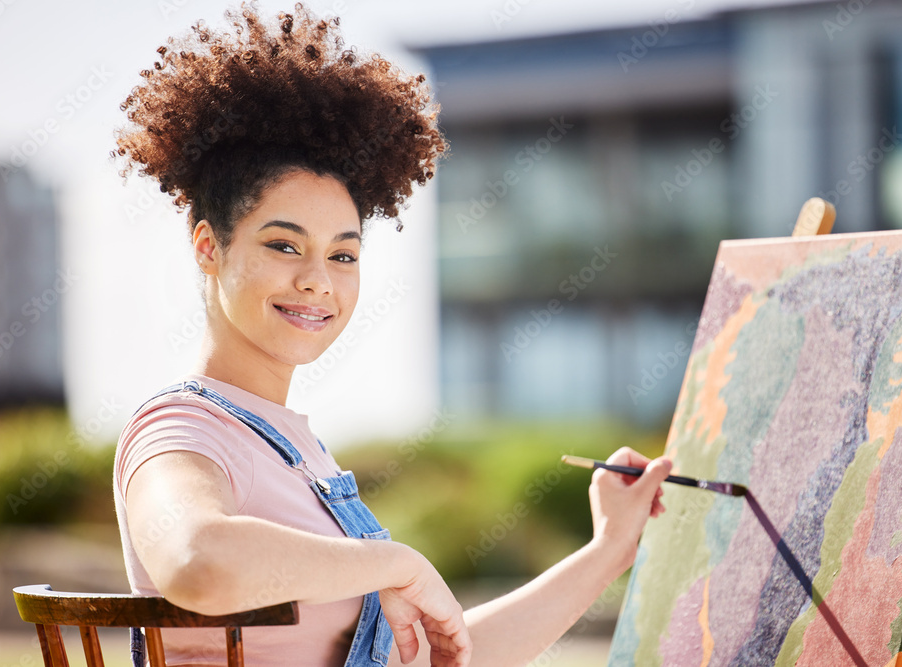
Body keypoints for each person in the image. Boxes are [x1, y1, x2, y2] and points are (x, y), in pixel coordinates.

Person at [111, 3, 673, 666]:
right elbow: (195, 558)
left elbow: (446, 656)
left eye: (343, 255)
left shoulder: (300, 452)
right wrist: (390, 561)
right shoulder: (181, 428)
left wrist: (608, 550)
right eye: (285, 245)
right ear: (209, 245)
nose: (319, 281)